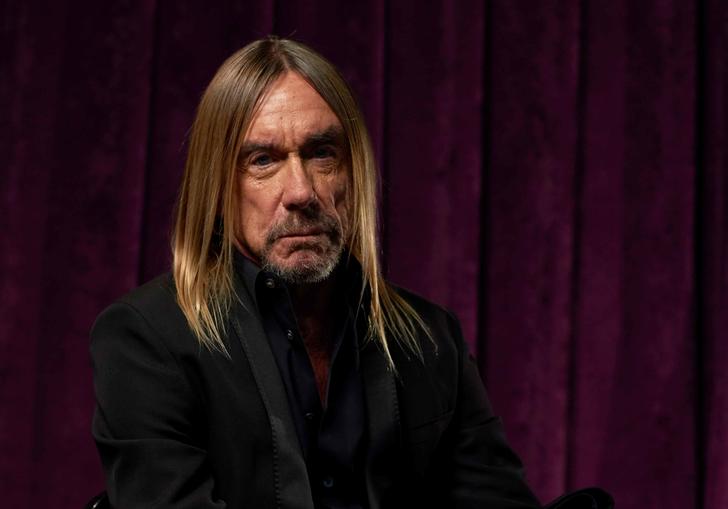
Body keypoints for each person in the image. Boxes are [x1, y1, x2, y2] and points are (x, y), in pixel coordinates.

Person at [90, 36, 542, 509]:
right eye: (262, 160)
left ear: (354, 170)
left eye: (322, 153)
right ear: (217, 183)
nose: (301, 191)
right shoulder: (145, 338)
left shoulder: (430, 338)